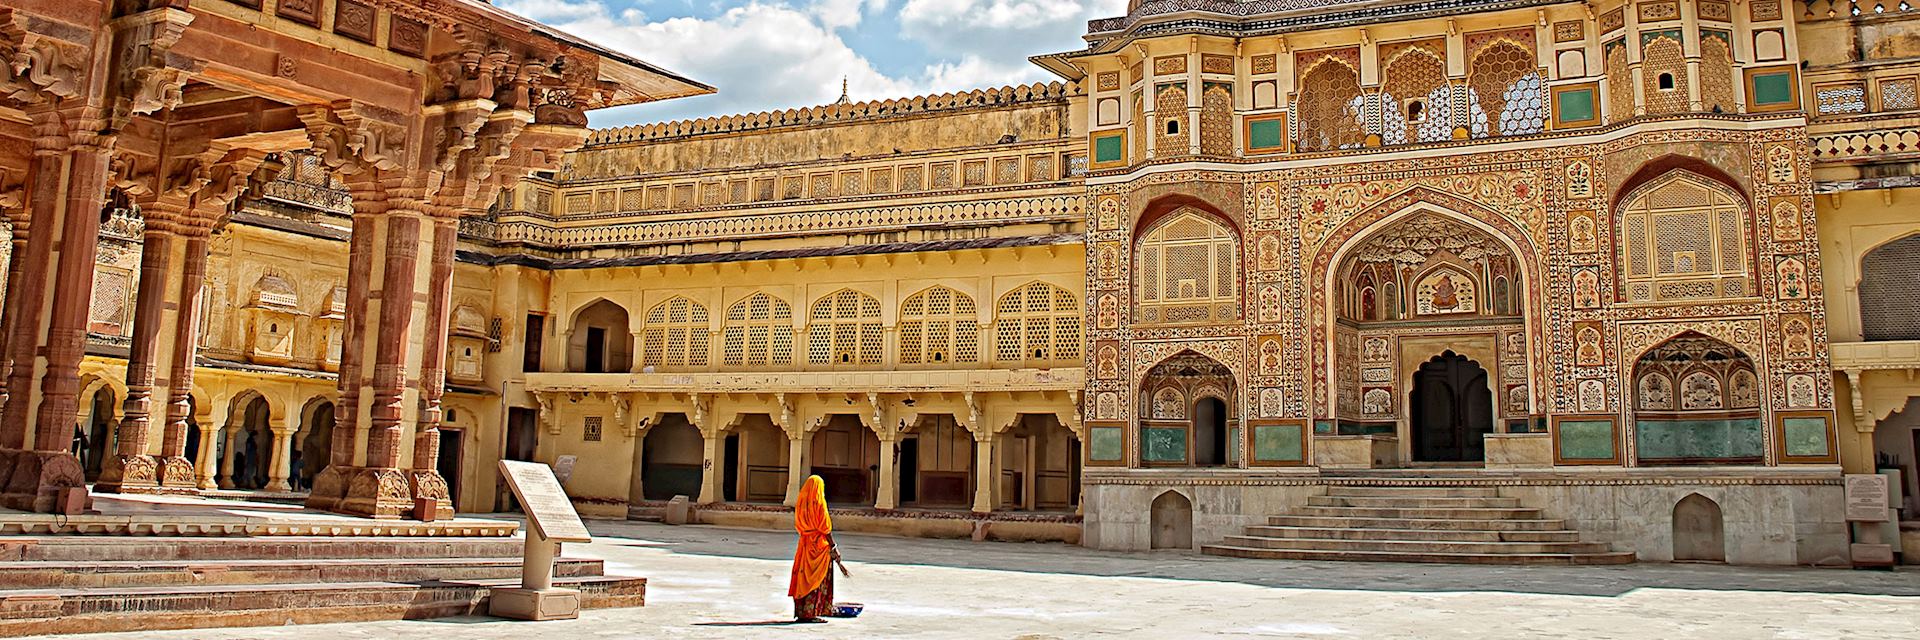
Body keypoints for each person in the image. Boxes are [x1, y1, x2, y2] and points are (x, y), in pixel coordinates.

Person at [788, 475, 839, 623]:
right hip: (819, 547)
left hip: (805, 545)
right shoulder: (818, 503)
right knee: (817, 579)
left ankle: (802, 612)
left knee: (803, 578)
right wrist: (833, 545)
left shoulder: (801, 504)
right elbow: (825, 527)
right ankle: (813, 612)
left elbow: (799, 526)